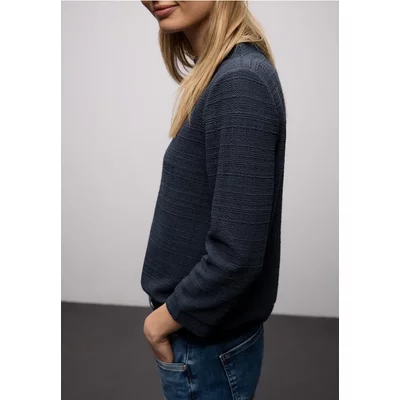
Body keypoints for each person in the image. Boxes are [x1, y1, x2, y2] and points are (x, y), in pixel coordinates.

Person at [140, 1, 286, 399]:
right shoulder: (230, 72)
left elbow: (236, 256)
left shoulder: (240, 82)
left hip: (203, 347)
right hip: (203, 342)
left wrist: (160, 323)